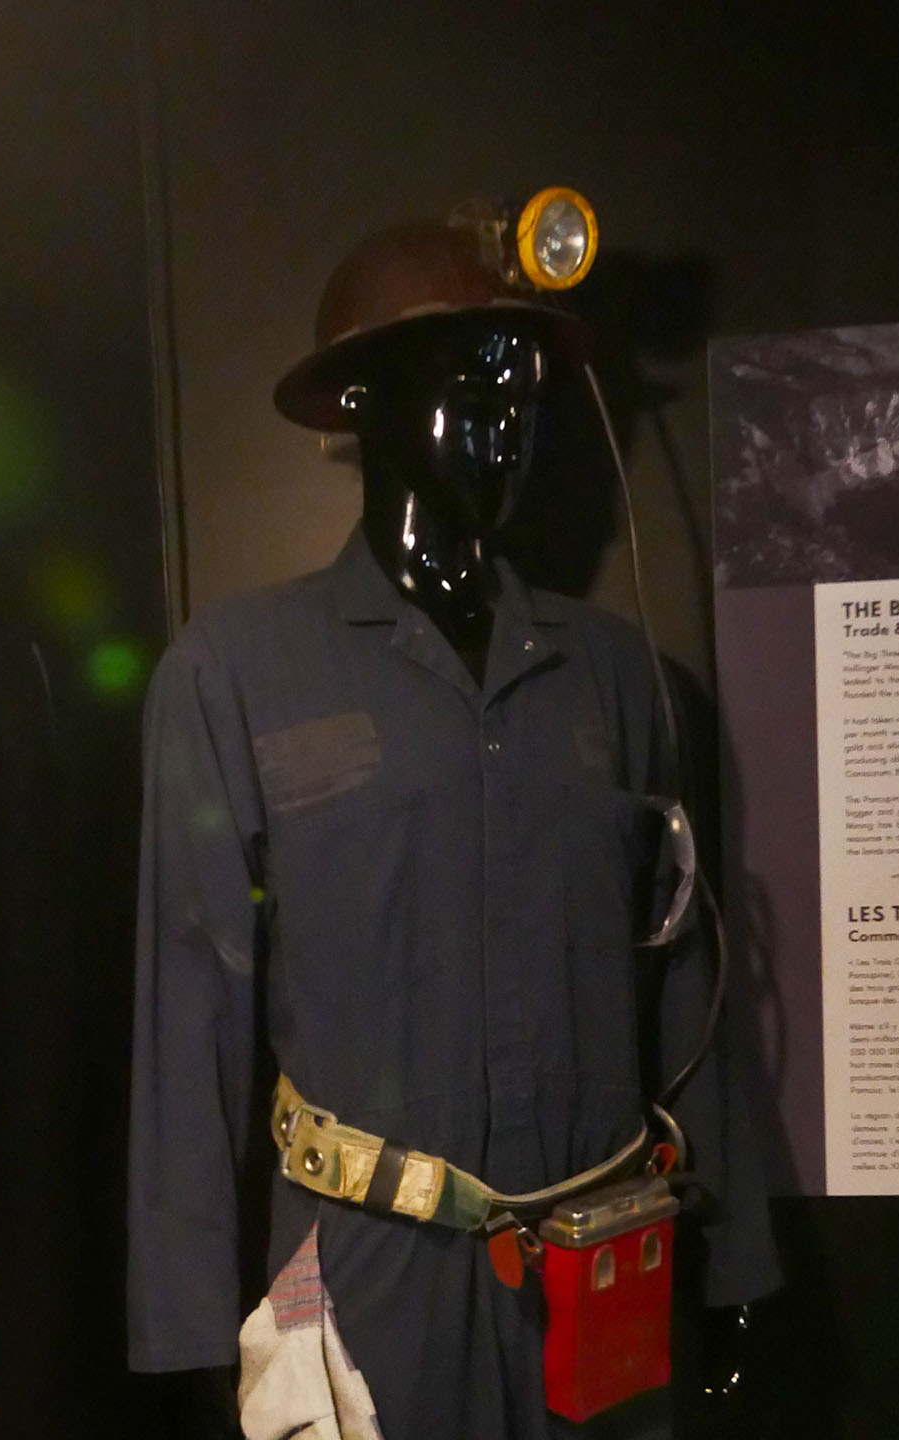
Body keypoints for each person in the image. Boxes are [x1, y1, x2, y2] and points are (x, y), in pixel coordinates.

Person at [129, 217, 780, 1440]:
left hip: (600, 1286)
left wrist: (735, 1267)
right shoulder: (238, 673)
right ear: (365, 400)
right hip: (367, 1292)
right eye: (462, 378)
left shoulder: (622, 682)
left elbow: (689, 989)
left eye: (521, 385)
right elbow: (189, 1012)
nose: (502, 420)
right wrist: (180, 1335)